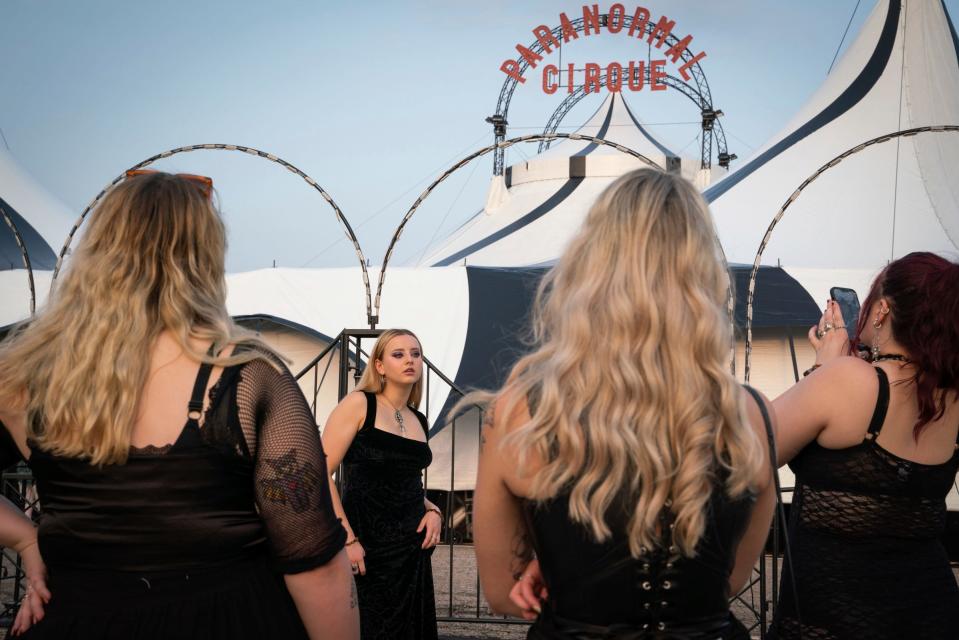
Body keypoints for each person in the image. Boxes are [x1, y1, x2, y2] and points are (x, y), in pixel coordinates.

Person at [0, 171, 359, 639]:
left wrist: (26, 539)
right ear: (204, 255)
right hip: (233, 620)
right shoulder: (248, 377)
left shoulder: (22, 377)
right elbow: (312, 559)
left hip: (77, 616)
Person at [469, 168, 777, 639]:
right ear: (702, 272)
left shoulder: (522, 411)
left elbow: (499, 591)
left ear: (588, 266)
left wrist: (561, 570)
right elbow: (727, 580)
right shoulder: (751, 416)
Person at [771, 251, 959, 639]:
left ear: (882, 310)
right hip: (932, 614)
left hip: (833, 617)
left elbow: (752, 446)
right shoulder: (951, 396)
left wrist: (825, 367)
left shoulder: (847, 379)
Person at [321, 328, 442, 639]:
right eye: (398, 354)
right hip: (365, 545)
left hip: (411, 550)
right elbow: (321, 472)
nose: (410, 360)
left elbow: (404, 484)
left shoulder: (419, 419)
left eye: (415, 354)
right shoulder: (360, 404)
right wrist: (347, 541)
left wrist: (434, 511)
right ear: (379, 365)